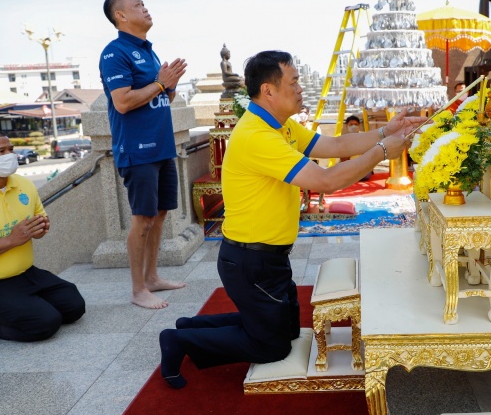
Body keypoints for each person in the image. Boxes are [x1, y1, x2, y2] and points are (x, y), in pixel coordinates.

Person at [157, 50, 423, 389]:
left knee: (290, 330)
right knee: (272, 346)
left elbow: (335, 144)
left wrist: (386, 131)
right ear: (268, 91)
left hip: (268, 258)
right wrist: (383, 151)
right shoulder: (257, 136)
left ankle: (191, 325)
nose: (299, 89)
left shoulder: (279, 125)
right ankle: (178, 340)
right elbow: (326, 180)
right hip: (250, 262)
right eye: (293, 82)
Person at [0, 130, 85, 341]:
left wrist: (40, 229)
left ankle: (22, 308)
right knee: (45, 324)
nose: (10, 155)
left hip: (26, 275)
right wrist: (10, 240)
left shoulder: (23, 184)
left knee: (74, 307)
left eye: (11, 149)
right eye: (1, 151)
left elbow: (38, 222)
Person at [99, 0, 188, 309]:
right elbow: (123, 102)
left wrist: (169, 85)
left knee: (160, 214)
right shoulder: (115, 53)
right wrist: (161, 83)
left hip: (162, 147)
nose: (145, 8)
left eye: (144, 4)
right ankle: (138, 290)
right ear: (120, 15)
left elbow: (160, 98)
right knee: (143, 218)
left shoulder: (148, 52)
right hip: (137, 150)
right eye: (138, 5)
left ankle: (152, 278)